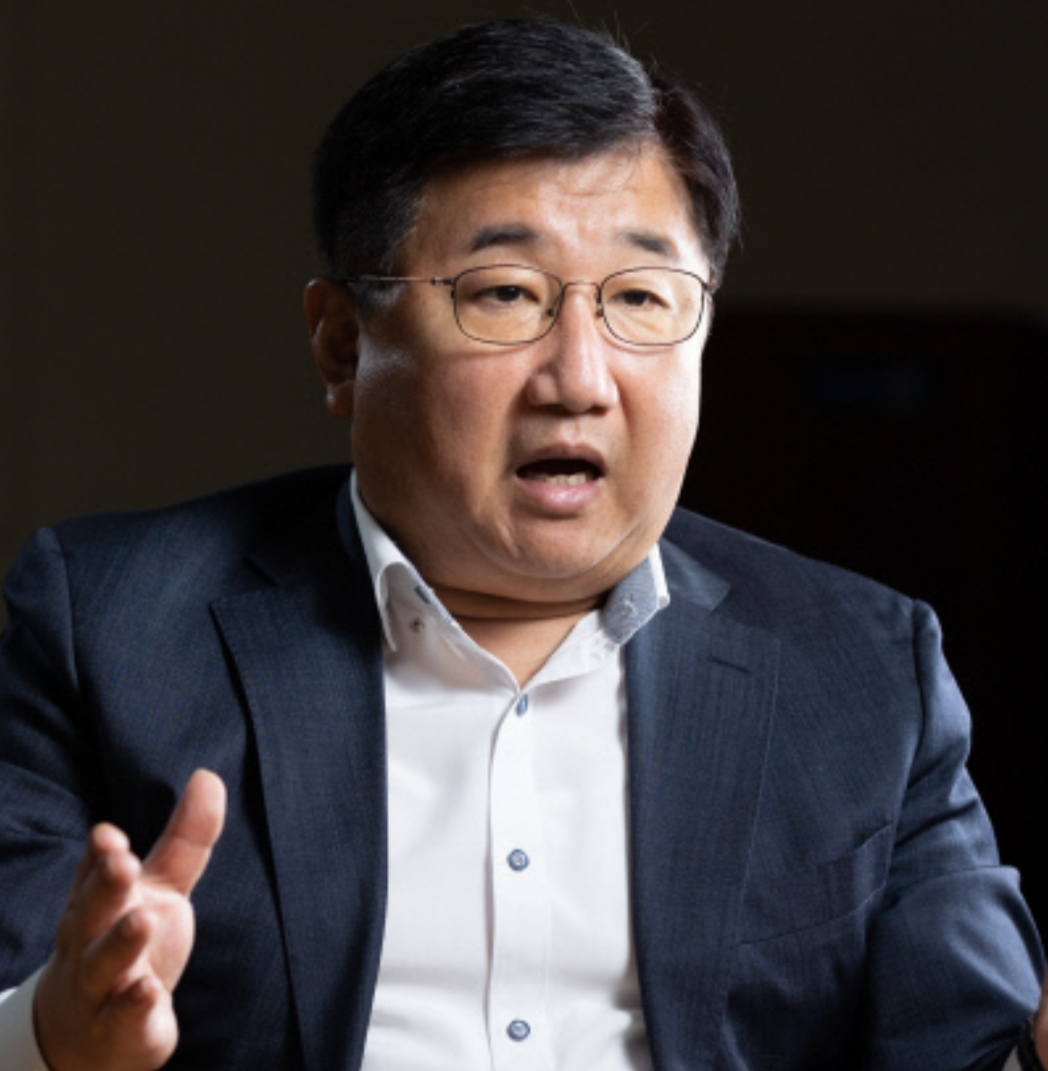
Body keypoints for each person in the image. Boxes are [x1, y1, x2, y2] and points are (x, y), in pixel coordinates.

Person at [0, 16, 1045, 1071]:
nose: (580, 379)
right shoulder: (112, 629)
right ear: (342, 344)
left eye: (640, 299)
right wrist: (52, 1038)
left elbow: (965, 1047)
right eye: (506, 295)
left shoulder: (863, 669)